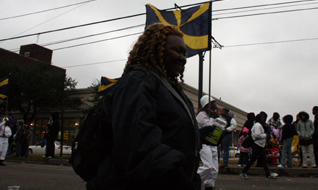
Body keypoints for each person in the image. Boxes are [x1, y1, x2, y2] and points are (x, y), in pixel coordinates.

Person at [87, 23, 200, 190]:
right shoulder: (138, 81)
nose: (183, 58)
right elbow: (137, 143)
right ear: (156, 50)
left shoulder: (171, 89)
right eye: (177, 51)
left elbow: (175, 133)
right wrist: (177, 179)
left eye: (185, 53)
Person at [240, 112, 277, 180]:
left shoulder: (258, 125)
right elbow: (257, 135)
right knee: (255, 160)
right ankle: (244, 172)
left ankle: (267, 174)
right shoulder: (257, 125)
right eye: (262, 117)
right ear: (259, 118)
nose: (263, 119)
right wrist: (265, 135)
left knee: (262, 160)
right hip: (257, 145)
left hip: (260, 145)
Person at [196, 95, 219, 190]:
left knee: (214, 170)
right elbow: (208, 127)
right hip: (204, 143)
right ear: (207, 105)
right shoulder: (201, 115)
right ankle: (192, 179)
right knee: (208, 166)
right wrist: (213, 118)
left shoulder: (212, 115)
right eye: (212, 103)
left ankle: (209, 186)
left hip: (212, 143)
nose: (215, 105)